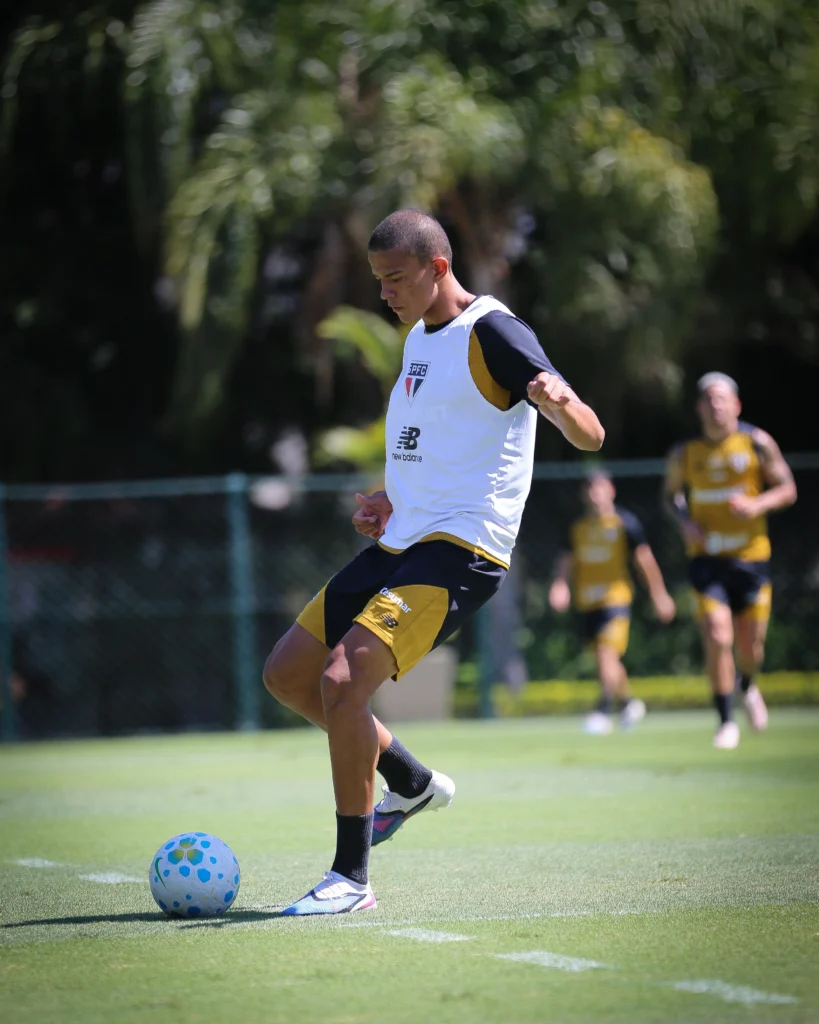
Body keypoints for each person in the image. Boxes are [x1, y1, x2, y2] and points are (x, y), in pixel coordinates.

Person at [263, 209, 605, 915]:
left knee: (342, 681)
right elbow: (437, 441)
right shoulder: (420, 336)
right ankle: (410, 781)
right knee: (288, 674)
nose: (384, 293)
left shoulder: (495, 332)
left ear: (437, 267)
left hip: (462, 550)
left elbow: (590, 433)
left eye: (395, 278)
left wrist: (559, 403)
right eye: (378, 280)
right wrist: (389, 497)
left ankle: (350, 880)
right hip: (402, 540)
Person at [663, 372, 797, 749]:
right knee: (717, 634)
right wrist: (685, 523)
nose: (715, 405)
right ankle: (725, 721)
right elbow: (669, 497)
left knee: (751, 647)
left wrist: (757, 504)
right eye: (708, 399)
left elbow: (788, 489)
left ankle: (748, 685)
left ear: (736, 405)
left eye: (722, 399)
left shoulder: (757, 443)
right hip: (707, 561)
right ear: (699, 408)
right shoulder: (685, 452)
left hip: (751, 559)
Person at [549, 471, 676, 735]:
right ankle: (628, 703)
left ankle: (603, 710)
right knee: (603, 659)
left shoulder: (624, 523)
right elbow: (565, 561)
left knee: (607, 652)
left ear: (611, 491)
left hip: (616, 599)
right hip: (587, 602)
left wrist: (659, 594)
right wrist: (560, 586)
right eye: (590, 489)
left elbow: (645, 561)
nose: (595, 494)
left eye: (599, 487)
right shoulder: (578, 528)